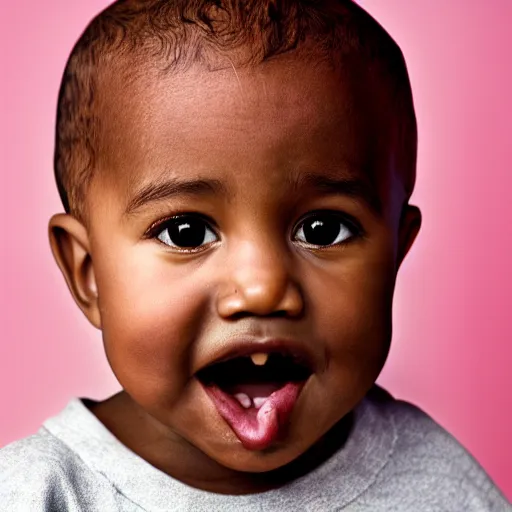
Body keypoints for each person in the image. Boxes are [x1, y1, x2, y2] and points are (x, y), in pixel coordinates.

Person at [1, 0, 509, 510]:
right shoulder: (39, 494)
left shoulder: (438, 487)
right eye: (186, 232)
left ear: (397, 253)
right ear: (88, 274)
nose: (263, 287)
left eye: (323, 228)